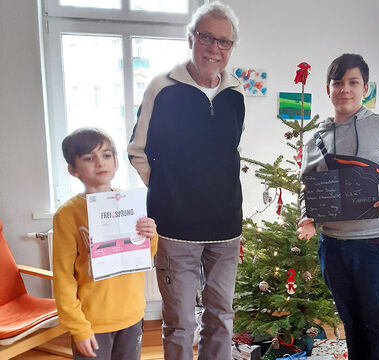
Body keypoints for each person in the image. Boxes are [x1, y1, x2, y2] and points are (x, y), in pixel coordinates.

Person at [127, 2, 244, 359]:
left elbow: (228, 153)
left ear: (230, 48)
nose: (214, 48)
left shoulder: (236, 94)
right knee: (180, 324)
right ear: (190, 38)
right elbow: (137, 150)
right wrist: (166, 189)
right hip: (175, 230)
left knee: (221, 317)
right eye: (206, 37)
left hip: (226, 229)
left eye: (223, 42)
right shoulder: (162, 88)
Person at [297, 53, 379, 360]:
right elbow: (307, 188)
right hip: (335, 248)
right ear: (328, 89)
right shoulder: (315, 139)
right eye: (337, 82)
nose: (344, 89)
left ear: (365, 88)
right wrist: (307, 217)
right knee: (351, 327)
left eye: (353, 82)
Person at [53, 127, 158, 360]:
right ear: (73, 169)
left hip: (132, 315)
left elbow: (145, 254)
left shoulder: (129, 203)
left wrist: (151, 235)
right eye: (89, 158)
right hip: (92, 321)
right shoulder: (68, 214)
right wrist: (78, 328)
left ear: (116, 162)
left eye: (107, 155)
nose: (100, 162)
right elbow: (63, 277)